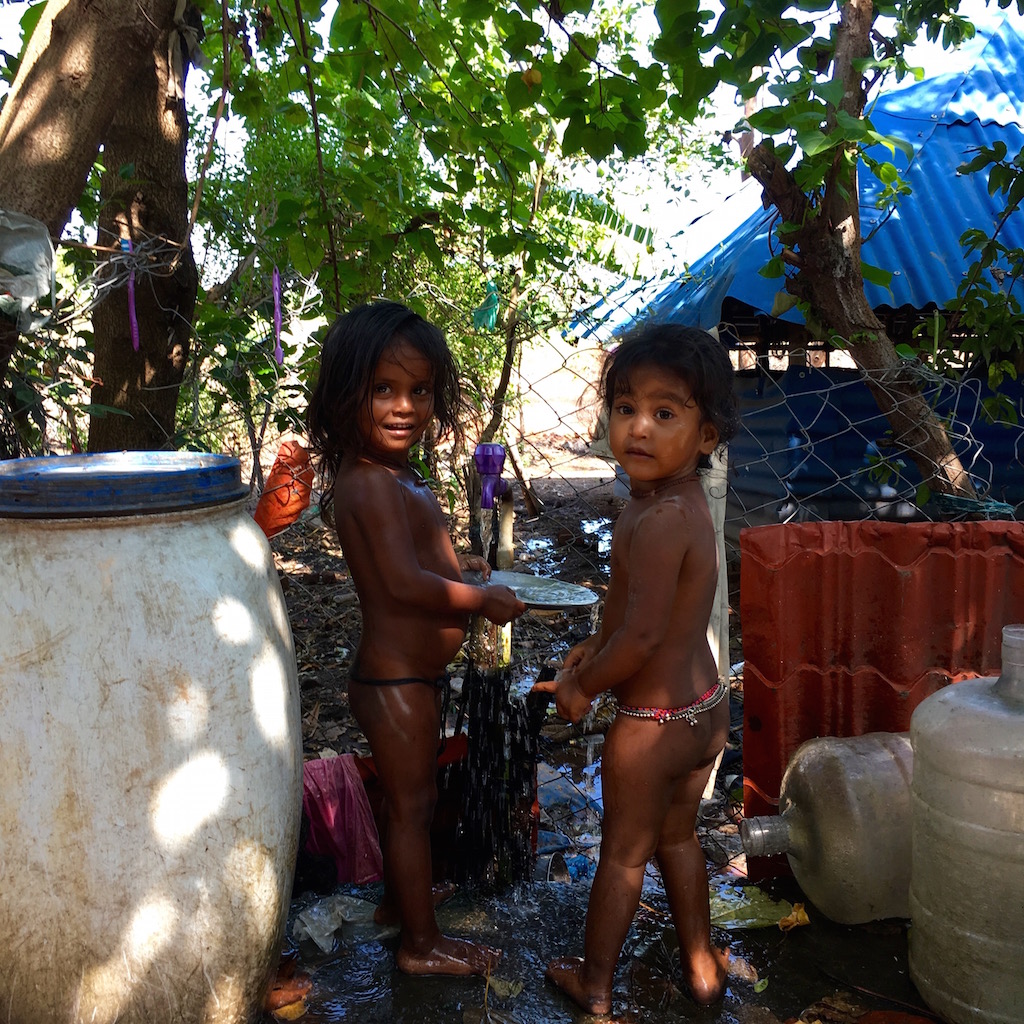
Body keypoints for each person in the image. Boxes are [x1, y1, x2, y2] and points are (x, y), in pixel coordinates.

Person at [306, 300, 526, 976]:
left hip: (409, 678)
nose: (405, 407)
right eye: (383, 389)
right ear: (344, 395)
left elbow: (416, 561)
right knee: (410, 808)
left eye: (420, 390)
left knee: (417, 799)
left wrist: (461, 569)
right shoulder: (369, 484)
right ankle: (420, 946)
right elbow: (401, 583)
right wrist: (481, 600)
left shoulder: (395, 474)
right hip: (394, 681)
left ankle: (399, 904)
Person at [533, 322, 740, 1013]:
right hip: (703, 709)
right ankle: (702, 967)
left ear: (707, 435)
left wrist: (582, 687)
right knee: (678, 836)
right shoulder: (675, 506)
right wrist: (595, 645)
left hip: (651, 724)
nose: (639, 428)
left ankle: (595, 984)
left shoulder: (655, 522)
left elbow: (644, 637)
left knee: (623, 853)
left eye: (664, 412)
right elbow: (639, 614)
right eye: (626, 408)